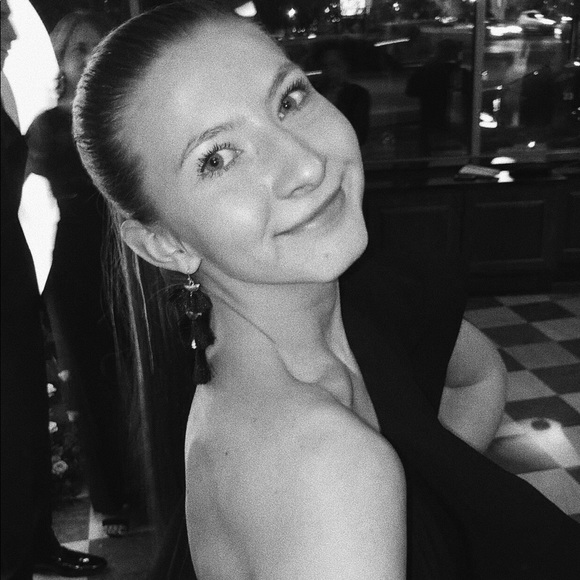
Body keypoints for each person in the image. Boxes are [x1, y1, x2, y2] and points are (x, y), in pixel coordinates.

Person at [72, 2, 580, 578]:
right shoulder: (323, 469)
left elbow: (479, 375)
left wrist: (423, 499)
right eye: (218, 157)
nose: (306, 165)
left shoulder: (361, 299)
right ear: (165, 245)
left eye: (289, 99)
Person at [1, 1, 107, 577]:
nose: (10, 29)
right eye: (0, 17)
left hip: (14, 277)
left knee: (22, 420)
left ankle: (34, 542)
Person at [26, 10, 131, 538]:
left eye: (98, 45)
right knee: (89, 382)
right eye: (80, 49)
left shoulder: (122, 112)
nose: (91, 57)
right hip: (71, 263)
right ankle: (115, 499)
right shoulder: (47, 124)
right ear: (62, 58)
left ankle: (156, 482)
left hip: (129, 257)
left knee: (139, 371)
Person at [312, 44, 371, 145]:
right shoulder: (315, 93)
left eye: (334, 65)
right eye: (325, 66)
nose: (330, 70)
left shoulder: (357, 95)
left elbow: (359, 133)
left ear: (345, 67)